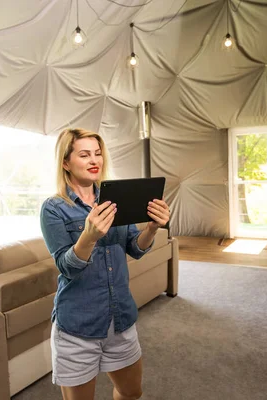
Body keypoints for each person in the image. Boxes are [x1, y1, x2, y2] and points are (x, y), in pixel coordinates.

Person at [40, 128, 170, 400]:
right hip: (77, 327)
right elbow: (67, 267)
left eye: (97, 153)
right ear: (66, 162)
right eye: (84, 154)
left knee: (131, 392)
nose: (93, 160)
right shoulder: (54, 208)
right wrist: (88, 237)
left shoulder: (114, 198)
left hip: (120, 320)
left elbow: (135, 247)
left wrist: (153, 228)